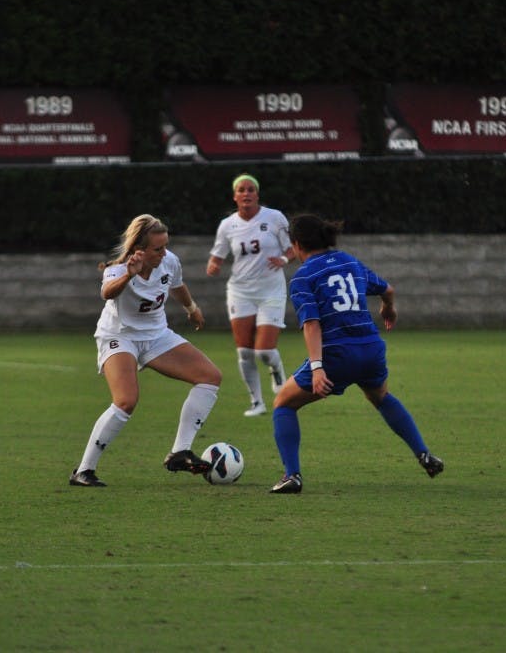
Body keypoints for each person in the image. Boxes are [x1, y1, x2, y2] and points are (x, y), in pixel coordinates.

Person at [268, 214, 444, 493]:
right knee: (380, 396)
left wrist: (317, 368)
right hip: (371, 349)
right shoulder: (349, 261)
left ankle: (292, 475)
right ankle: (424, 453)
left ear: (297, 244)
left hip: (337, 354)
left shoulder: (304, 276)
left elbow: (312, 324)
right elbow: (388, 289)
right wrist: (389, 307)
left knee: (283, 403)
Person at [70, 214, 222, 487]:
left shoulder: (169, 261)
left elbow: (177, 286)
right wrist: (129, 274)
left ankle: (179, 452)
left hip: (156, 336)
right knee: (126, 400)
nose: (164, 253)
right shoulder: (118, 269)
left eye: (165, 246)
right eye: (157, 248)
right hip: (119, 337)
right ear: (139, 248)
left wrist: (192, 309)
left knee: (210, 376)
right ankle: (84, 470)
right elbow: (107, 293)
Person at [206, 173, 294, 417]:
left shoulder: (274, 217)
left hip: (271, 290)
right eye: (241, 190)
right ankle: (257, 402)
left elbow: (292, 249)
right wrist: (213, 265)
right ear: (235, 196)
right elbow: (217, 256)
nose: (246, 194)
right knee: (244, 351)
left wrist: (285, 259)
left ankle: (277, 370)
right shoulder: (227, 225)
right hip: (240, 290)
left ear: (257, 194)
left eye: (251, 189)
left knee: (264, 352)